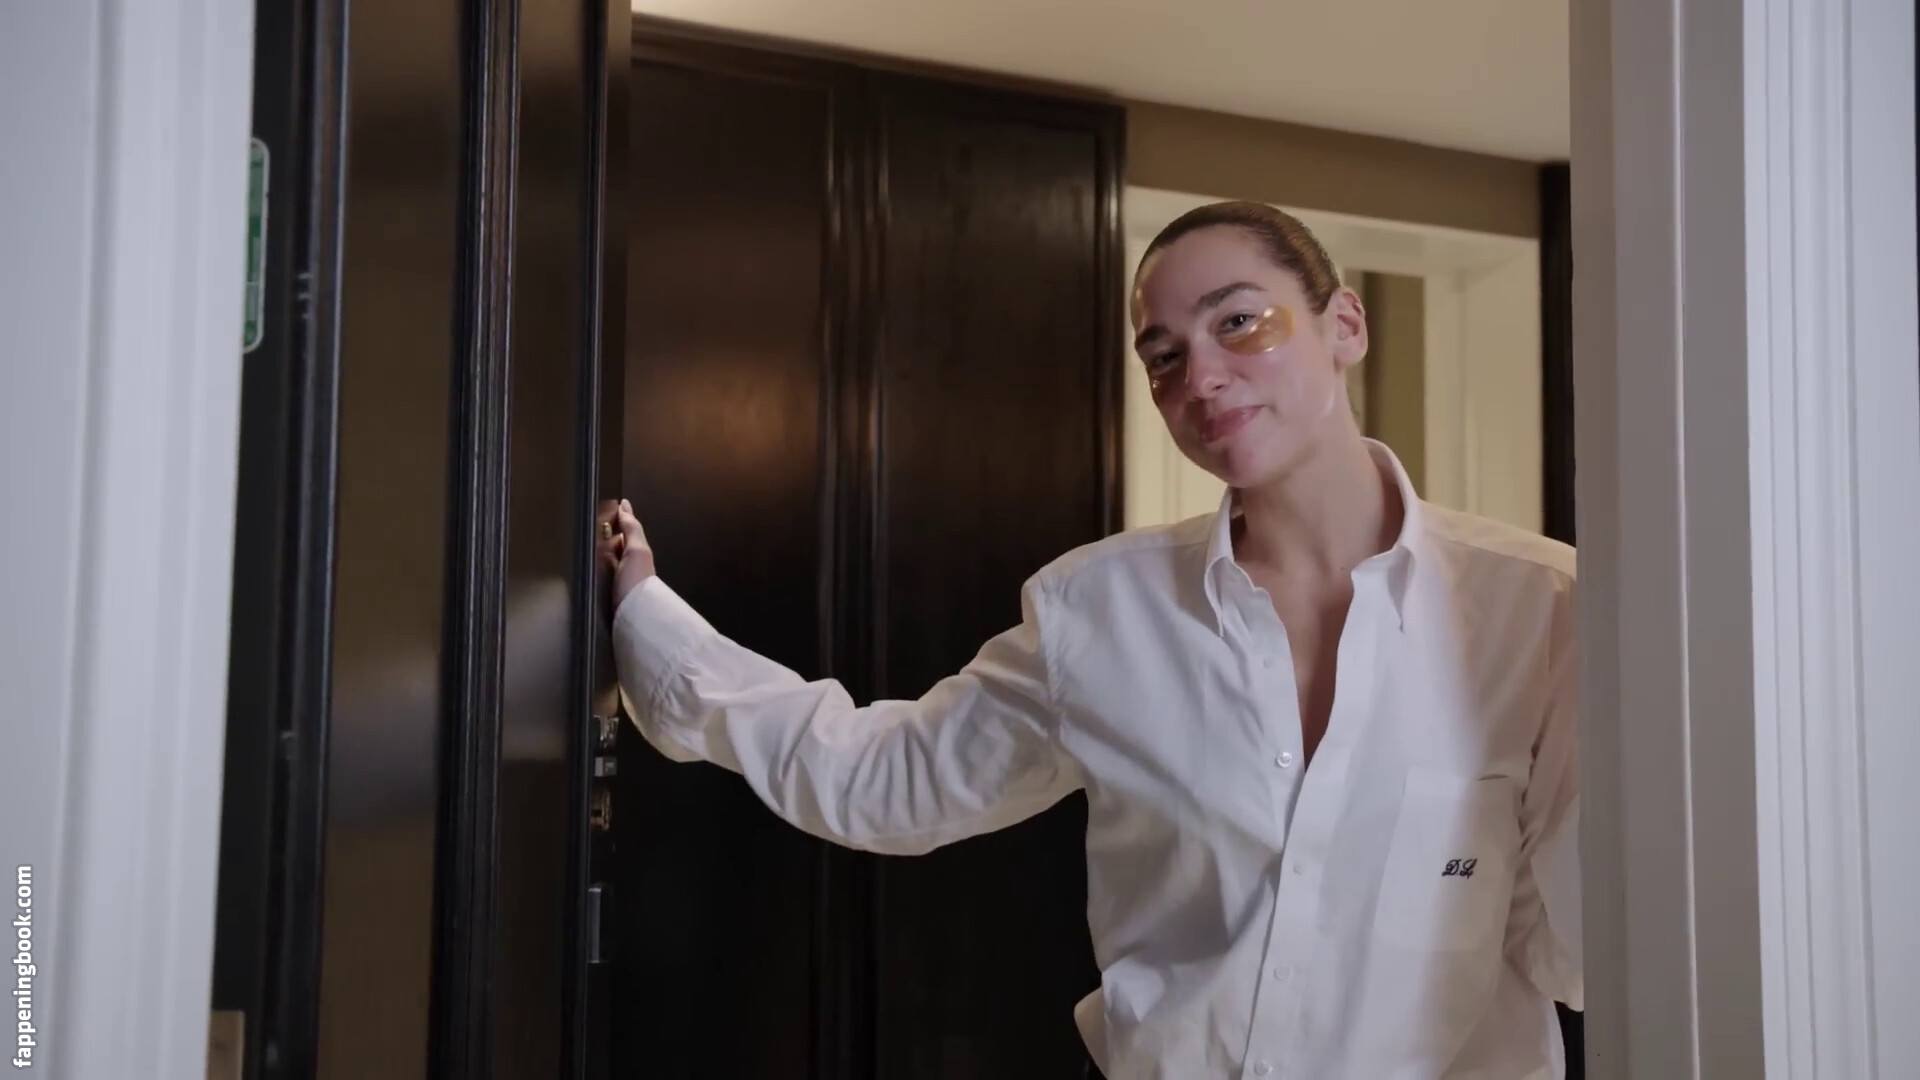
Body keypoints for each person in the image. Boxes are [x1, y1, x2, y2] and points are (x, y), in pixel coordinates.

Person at [599, 201, 1581, 1079]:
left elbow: (1577, 945)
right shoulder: (1099, 611)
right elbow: (887, 778)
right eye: (1164, 355)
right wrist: (650, 623)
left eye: (1239, 321)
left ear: (1345, 326)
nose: (1202, 376)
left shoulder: (1543, 607)